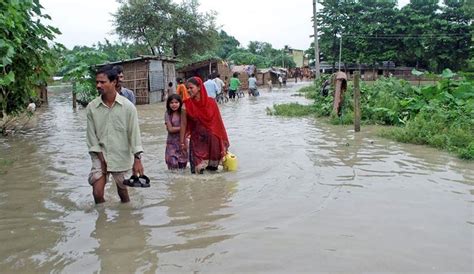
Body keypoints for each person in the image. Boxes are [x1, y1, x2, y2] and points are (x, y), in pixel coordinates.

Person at [86, 65, 144, 204]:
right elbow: (91, 136)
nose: (98, 85)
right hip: (100, 155)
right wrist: (102, 159)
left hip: (120, 155)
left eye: (102, 82)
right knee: (97, 193)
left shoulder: (128, 107)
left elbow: (134, 134)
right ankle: (102, 220)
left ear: (113, 82)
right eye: (97, 82)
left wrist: (137, 159)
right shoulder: (92, 107)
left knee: (123, 191)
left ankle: (125, 218)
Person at [180, 76, 229, 174]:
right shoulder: (186, 105)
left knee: (213, 173)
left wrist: (223, 142)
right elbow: (183, 124)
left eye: (191, 87)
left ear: (199, 87)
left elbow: (218, 123)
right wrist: (182, 143)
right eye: (187, 88)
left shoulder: (211, 103)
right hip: (197, 142)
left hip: (212, 141)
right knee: (197, 172)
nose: (189, 90)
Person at [164, 94, 188, 170]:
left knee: (183, 166)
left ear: (180, 103)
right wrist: (183, 128)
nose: (174, 105)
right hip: (171, 144)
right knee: (172, 165)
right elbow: (170, 129)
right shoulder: (167, 113)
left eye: (176, 102)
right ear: (168, 104)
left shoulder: (184, 113)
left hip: (183, 143)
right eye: (171, 103)